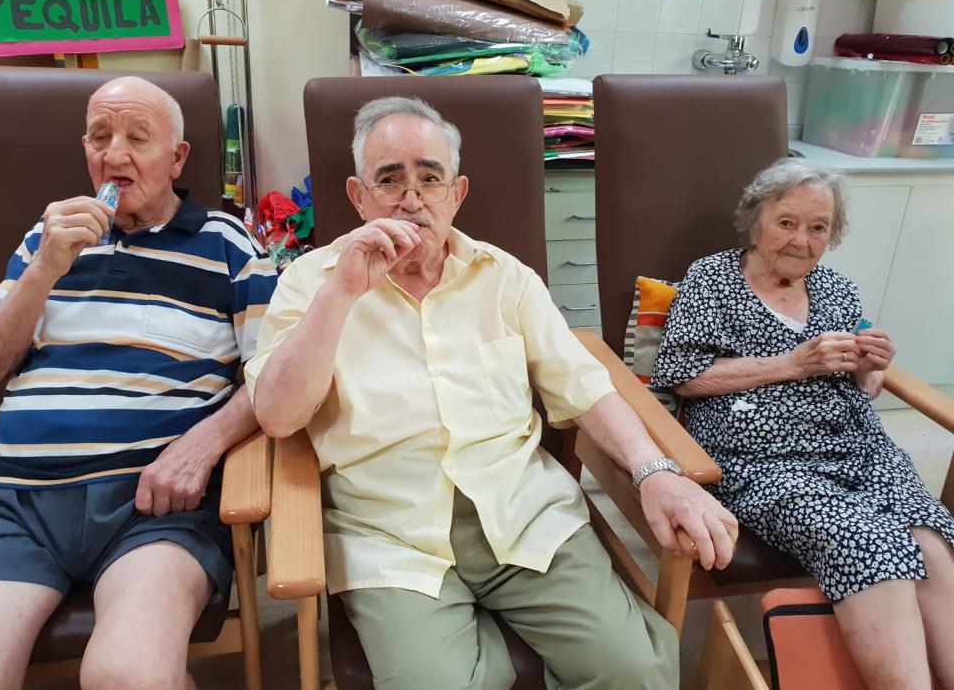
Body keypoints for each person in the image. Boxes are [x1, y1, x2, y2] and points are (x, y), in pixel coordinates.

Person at [248, 96, 739, 690]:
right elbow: (278, 416)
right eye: (390, 179)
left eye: (430, 178)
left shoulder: (507, 279)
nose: (412, 199)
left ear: (457, 193)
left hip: (523, 514)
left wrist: (655, 472)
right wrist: (342, 294)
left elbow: (584, 388)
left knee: (635, 673)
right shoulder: (311, 283)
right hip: (390, 533)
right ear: (359, 197)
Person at [0, 76, 277, 690]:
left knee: (127, 675)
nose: (114, 154)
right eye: (100, 137)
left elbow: (273, 374)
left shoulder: (227, 242)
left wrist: (203, 444)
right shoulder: (43, 240)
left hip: (152, 505)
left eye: (137, 137)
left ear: (177, 157)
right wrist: (45, 271)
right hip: (17, 502)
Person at [652, 158, 954, 690]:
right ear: (754, 221)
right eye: (787, 222)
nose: (801, 240)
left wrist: (872, 365)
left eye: (818, 227)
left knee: (930, 538)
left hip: (860, 451)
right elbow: (681, 377)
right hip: (764, 460)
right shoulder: (711, 280)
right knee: (863, 538)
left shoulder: (838, 289)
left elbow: (867, 386)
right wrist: (791, 364)